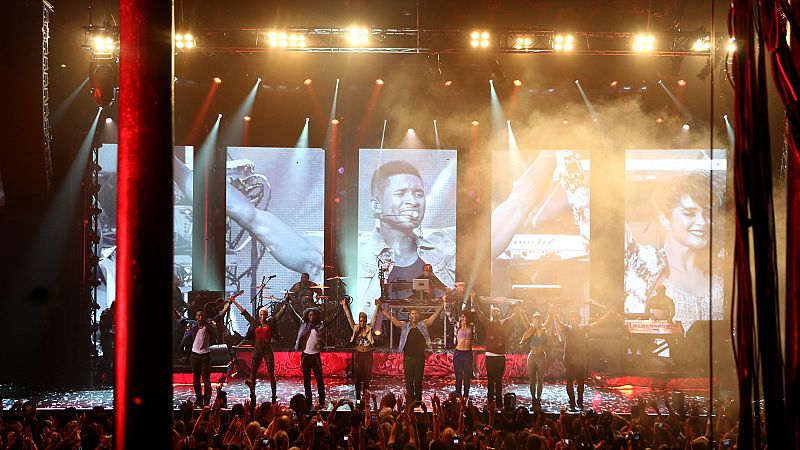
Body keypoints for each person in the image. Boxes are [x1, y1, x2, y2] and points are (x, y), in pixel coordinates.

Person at [173, 156, 324, 282]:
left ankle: (176, 168)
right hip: (319, 259)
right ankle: (176, 168)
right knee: (249, 216)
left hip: (321, 265)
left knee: (249, 216)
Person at [625, 172, 724, 333]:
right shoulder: (642, 266)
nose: (702, 222)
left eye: (707, 214)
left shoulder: (720, 282)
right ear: (664, 218)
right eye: (689, 213)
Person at [357, 160, 456, 318]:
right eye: (400, 193)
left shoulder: (443, 245)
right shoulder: (359, 255)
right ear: (377, 205)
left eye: (419, 194)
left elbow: (488, 234)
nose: (414, 201)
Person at [549, 303, 617, 410]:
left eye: (575, 317)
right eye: (572, 317)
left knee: (580, 383)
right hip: (569, 360)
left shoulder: (583, 328)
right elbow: (558, 322)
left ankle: (579, 402)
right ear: (571, 319)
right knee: (569, 383)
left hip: (579, 360)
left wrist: (607, 315)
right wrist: (553, 312)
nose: (574, 319)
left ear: (579, 319)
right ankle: (572, 402)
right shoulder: (567, 328)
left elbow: (596, 323)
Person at [379, 298, 446, 402]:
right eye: (412, 314)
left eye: (416, 314)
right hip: (408, 357)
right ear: (410, 316)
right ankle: (410, 400)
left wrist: (443, 304)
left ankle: (418, 400)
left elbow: (435, 315)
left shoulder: (423, 324)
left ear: (418, 315)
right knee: (409, 380)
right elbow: (391, 318)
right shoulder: (405, 326)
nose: (414, 315)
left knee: (418, 380)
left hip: (419, 357)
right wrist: (380, 308)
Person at [230, 298, 288, 403]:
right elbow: (244, 312)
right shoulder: (254, 322)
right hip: (257, 349)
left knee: (271, 373)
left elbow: (279, 314)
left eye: (264, 314)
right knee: (253, 373)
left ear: (267, 315)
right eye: (261, 314)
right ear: (259, 315)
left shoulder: (270, 323)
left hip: (267, 350)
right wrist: (234, 302)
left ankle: (274, 395)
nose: (262, 317)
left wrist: (286, 303)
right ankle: (252, 394)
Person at [178, 296, 233, 406]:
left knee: (206, 380)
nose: (200, 317)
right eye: (198, 315)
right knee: (196, 380)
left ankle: (207, 399)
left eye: (202, 315)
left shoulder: (208, 324)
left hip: (205, 356)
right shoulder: (192, 325)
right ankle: (199, 399)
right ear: (196, 317)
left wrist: (229, 303)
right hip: (194, 356)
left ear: (204, 316)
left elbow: (221, 314)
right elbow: (179, 318)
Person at [291, 305, 340, 408]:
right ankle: (308, 402)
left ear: (316, 316)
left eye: (313, 315)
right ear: (307, 316)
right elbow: (294, 315)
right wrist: (288, 304)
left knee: (320, 380)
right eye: (310, 315)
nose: (312, 317)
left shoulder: (320, 326)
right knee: (306, 380)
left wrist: (340, 307)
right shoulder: (303, 325)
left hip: (315, 356)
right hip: (305, 356)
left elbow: (331, 319)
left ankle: (322, 402)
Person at [474, 299, 520, 407]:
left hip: (500, 357)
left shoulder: (504, 322)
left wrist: (518, 306)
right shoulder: (488, 323)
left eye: (497, 311)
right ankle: (490, 402)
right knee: (490, 380)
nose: (496, 312)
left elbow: (513, 316)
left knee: (498, 381)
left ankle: (499, 403)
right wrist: (474, 301)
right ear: (492, 314)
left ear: (499, 314)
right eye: (494, 311)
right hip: (490, 356)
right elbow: (480, 315)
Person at [341, 297, 380, 401]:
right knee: (358, 377)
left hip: (367, 355)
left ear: (366, 321)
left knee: (367, 377)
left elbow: (375, 317)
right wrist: (345, 306)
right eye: (360, 320)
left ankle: (365, 396)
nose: (362, 322)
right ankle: (358, 396)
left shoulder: (369, 327)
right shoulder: (355, 328)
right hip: (358, 354)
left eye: (363, 321)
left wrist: (377, 306)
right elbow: (349, 318)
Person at [519, 309, 551, 405]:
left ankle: (538, 397)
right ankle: (533, 397)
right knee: (532, 380)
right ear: (533, 320)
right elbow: (524, 320)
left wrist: (551, 312)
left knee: (540, 379)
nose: (537, 321)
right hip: (532, 356)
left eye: (539, 319)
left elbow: (550, 320)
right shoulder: (531, 327)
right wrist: (522, 312)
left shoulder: (544, 328)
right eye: (535, 319)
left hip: (541, 356)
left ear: (541, 320)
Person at [452, 299, 475, 398]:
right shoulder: (457, 325)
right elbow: (449, 315)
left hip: (468, 354)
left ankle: (466, 394)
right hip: (458, 353)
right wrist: (444, 303)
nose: (464, 319)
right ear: (460, 318)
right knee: (458, 376)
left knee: (467, 376)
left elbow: (474, 312)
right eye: (462, 317)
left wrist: (472, 300)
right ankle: (458, 393)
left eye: (466, 317)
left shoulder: (472, 327)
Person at [98, 301, 115, 386]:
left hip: (107, 339)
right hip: (107, 340)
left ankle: (104, 379)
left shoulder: (107, 314)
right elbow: (105, 330)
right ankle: (104, 379)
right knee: (107, 360)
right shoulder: (107, 315)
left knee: (107, 359)